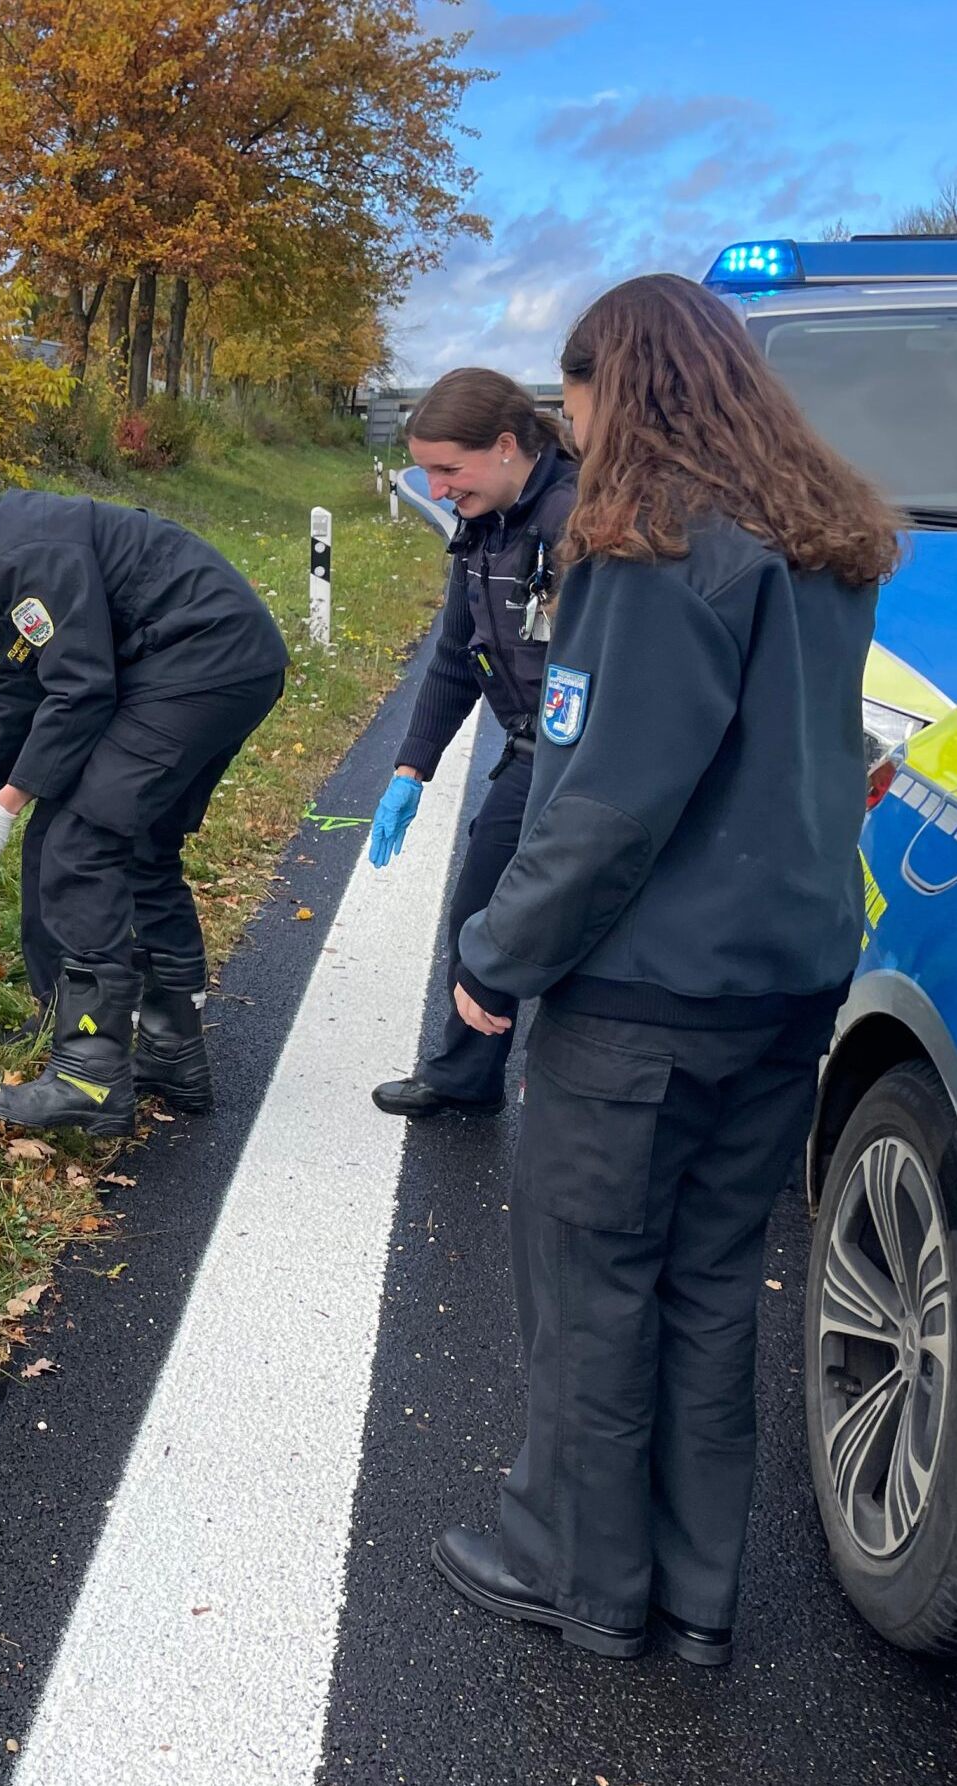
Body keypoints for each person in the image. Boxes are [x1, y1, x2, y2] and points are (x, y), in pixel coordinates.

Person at [432, 274, 901, 1667]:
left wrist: (494, 957)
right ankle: (694, 1592)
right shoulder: (825, 538)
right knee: (707, 1289)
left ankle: (573, 1572)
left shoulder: (650, 548)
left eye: (576, 406)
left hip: (648, 998)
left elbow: (603, 804)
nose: (574, 436)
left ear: (618, 390)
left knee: (591, 1289)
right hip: (788, 982)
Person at [0, 461, 288, 1134]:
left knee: (76, 843)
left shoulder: (24, 552)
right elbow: (21, 688)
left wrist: (6, 803)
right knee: (140, 846)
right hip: (224, 661)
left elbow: (80, 689)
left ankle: (89, 1077)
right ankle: (171, 1053)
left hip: (197, 663)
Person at [369, 369, 579, 1118]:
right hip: (530, 748)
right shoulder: (483, 528)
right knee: (477, 915)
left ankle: (566, 1094)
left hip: (585, 758)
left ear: (504, 446)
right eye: (425, 472)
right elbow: (456, 658)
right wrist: (410, 769)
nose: (436, 488)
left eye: (447, 470)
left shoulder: (574, 522)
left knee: (550, 926)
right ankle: (466, 1075)